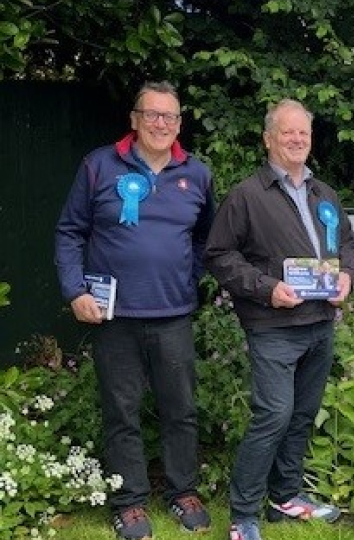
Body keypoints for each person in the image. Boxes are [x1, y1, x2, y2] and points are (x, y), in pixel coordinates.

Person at [54, 81, 214, 540]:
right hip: (113, 317)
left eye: (170, 116)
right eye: (152, 114)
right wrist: (74, 289)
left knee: (180, 409)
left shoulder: (196, 174)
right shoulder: (99, 166)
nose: (161, 123)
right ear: (134, 119)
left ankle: (183, 491)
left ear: (179, 124)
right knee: (121, 410)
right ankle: (130, 502)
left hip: (173, 314)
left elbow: (206, 236)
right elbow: (69, 231)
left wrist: (188, 275)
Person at [204, 99, 354, 540]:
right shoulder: (247, 195)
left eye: (303, 133)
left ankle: (285, 497)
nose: (296, 140)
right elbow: (218, 255)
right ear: (268, 138)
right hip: (273, 325)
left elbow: (349, 243)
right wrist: (266, 287)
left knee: (303, 413)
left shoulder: (323, 193)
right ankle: (242, 514)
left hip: (320, 322)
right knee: (274, 414)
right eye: (287, 132)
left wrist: (348, 274)